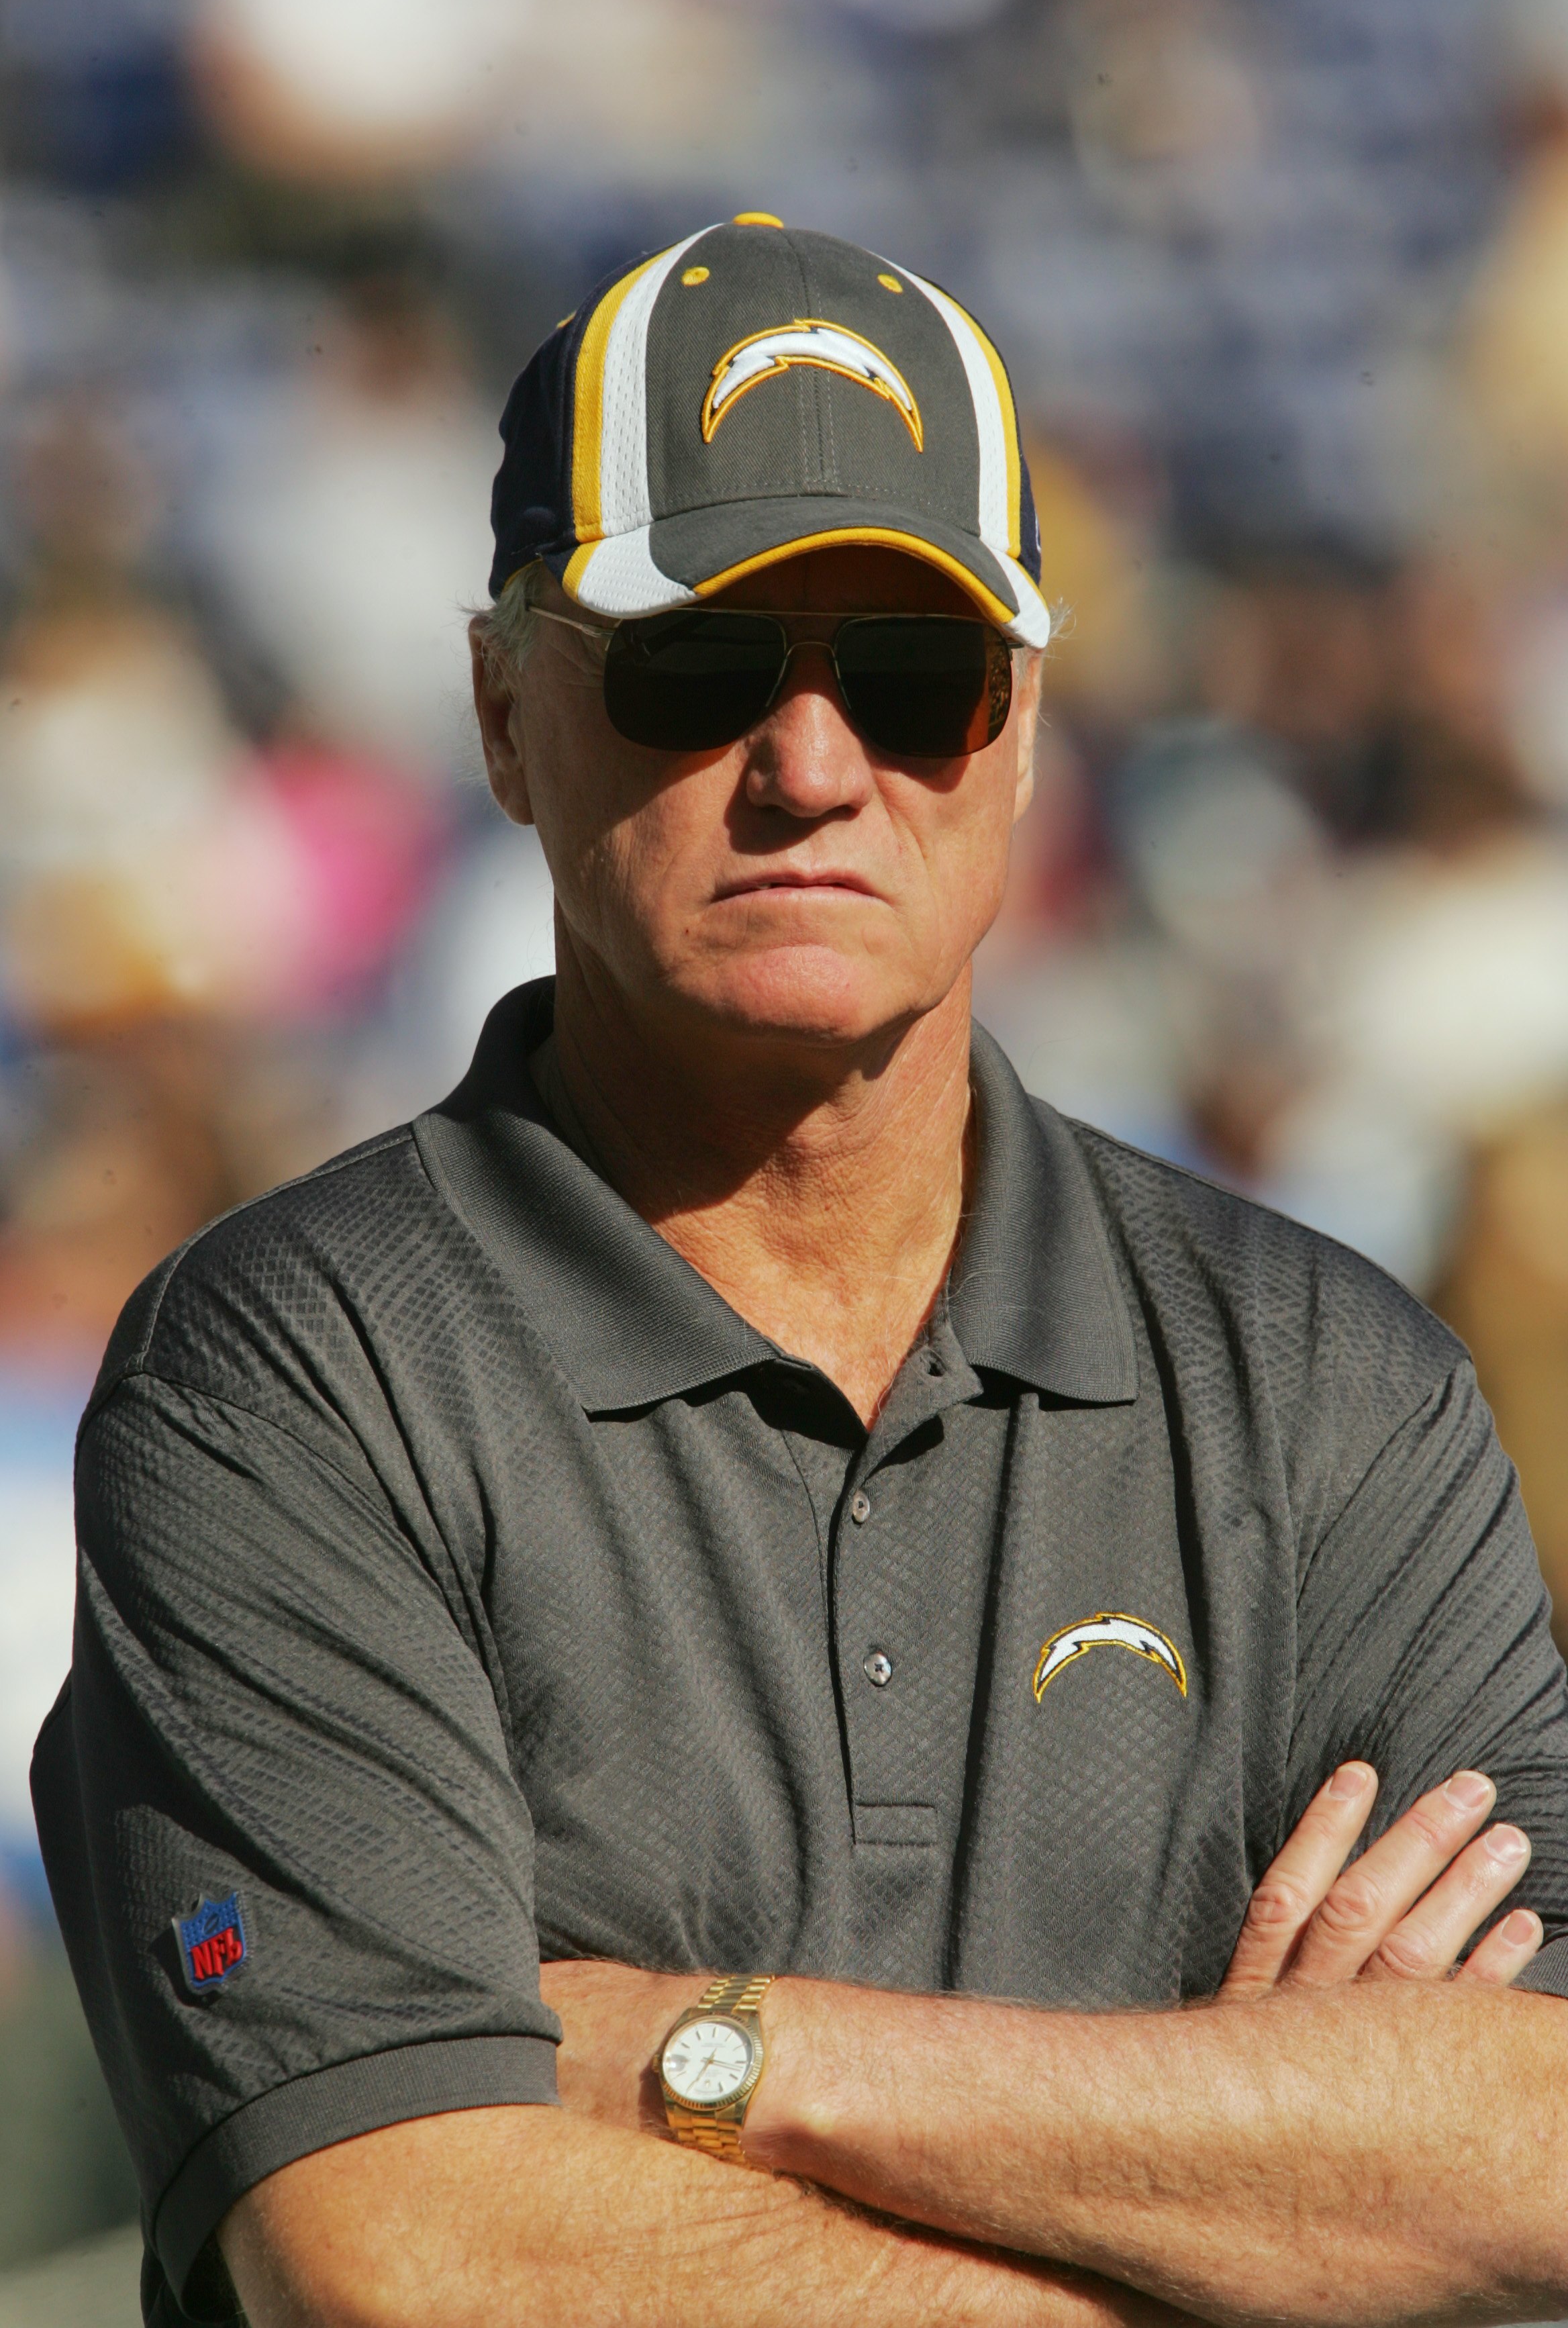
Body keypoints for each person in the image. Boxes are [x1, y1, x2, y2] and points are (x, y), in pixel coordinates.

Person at [32, 218, 1568, 2328]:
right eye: (701, 664)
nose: (817, 764)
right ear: (503, 715)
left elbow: (1529, 2148)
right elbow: (412, 2260)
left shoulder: (1329, 1383)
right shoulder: (293, 1378)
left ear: (1021, 732)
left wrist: (715, 2056)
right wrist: (1254, 2178)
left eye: (917, 677)